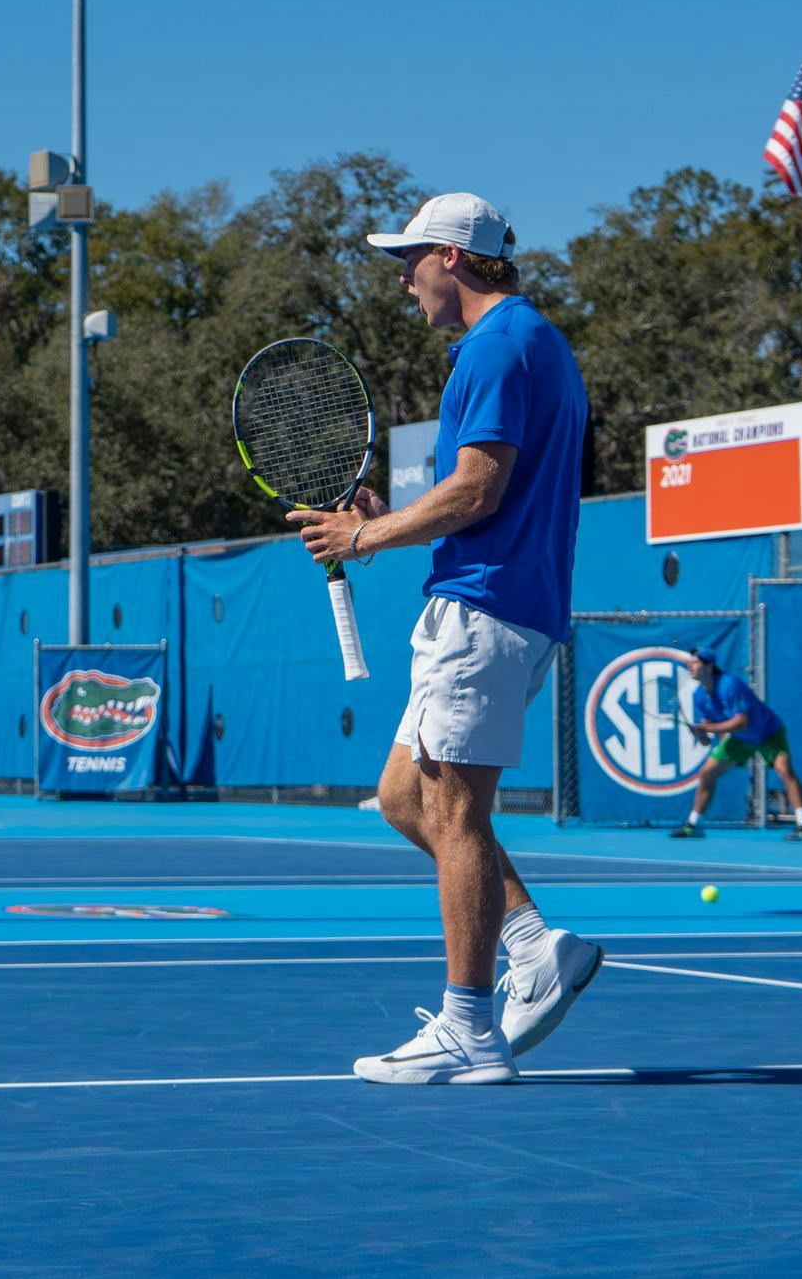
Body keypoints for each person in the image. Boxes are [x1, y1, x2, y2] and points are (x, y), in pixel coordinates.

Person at [290, 192, 600, 1085]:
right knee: (403, 797)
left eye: (412, 258)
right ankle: (535, 945)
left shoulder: (497, 347)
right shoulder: (530, 341)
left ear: (455, 259)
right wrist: (392, 521)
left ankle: (470, 1026)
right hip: (499, 598)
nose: (403, 277)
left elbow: (477, 491)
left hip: (487, 605)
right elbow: (473, 497)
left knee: (457, 811)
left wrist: (362, 537)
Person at [673, 646, 802, 841]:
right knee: (706, 774)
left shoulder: (731, 684)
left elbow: (741, 722)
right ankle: (694, 825)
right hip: (740, 739)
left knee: (784, 771)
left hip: (768, 731)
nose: (690, 666)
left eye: (695, 662)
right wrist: (700, 734)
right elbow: (706, 739)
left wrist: (708, 729)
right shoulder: (699, 696)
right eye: (690, 663)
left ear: (709, 666)